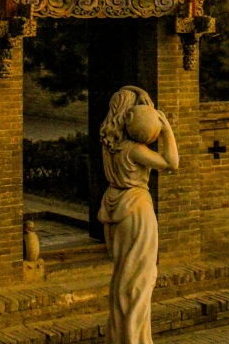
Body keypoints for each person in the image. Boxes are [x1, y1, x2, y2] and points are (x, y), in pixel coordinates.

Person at [98, 86, 179, 344]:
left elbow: (123, 97)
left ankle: (120, 336)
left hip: (113, 206)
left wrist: (138, 94)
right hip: (136, 211)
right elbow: (171, 163)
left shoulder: (109, 144)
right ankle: (133, 339)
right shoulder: (135, 150)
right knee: (139, 282)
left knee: (122, 277)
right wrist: (165, 129)